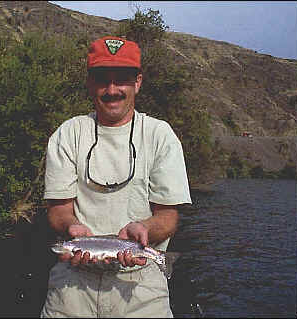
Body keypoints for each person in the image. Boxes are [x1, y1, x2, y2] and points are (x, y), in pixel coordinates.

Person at [40, 36, 192, 318]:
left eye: (121, 79)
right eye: (102, 80)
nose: (112, 90)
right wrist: (71, 227)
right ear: (89, 83)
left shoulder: (160, 136)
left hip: (142, 287)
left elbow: (168, 218)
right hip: (73, 284)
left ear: (138, 82)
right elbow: (59, 211)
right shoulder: (68, 133)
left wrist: (144, 231)